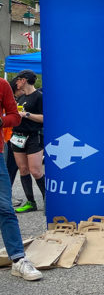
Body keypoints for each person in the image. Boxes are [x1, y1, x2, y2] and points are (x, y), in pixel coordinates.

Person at [0, 77, 41, 281]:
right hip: (15, 143)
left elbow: (14, 117)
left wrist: (1, 121)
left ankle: (18, 260)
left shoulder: (2, 84)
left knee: (5, 208)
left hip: (2, 151)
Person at [10, 71, 44, 214]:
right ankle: (31, 202)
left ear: (24, 80)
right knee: (23, 170)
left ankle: (48, 199)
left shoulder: (39, 97)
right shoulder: (20, 97)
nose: (16, 83)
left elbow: (44, 118)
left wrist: (27, 115)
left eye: (18, 80)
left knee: (35, 171)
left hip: (33, 137)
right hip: (18, 136)